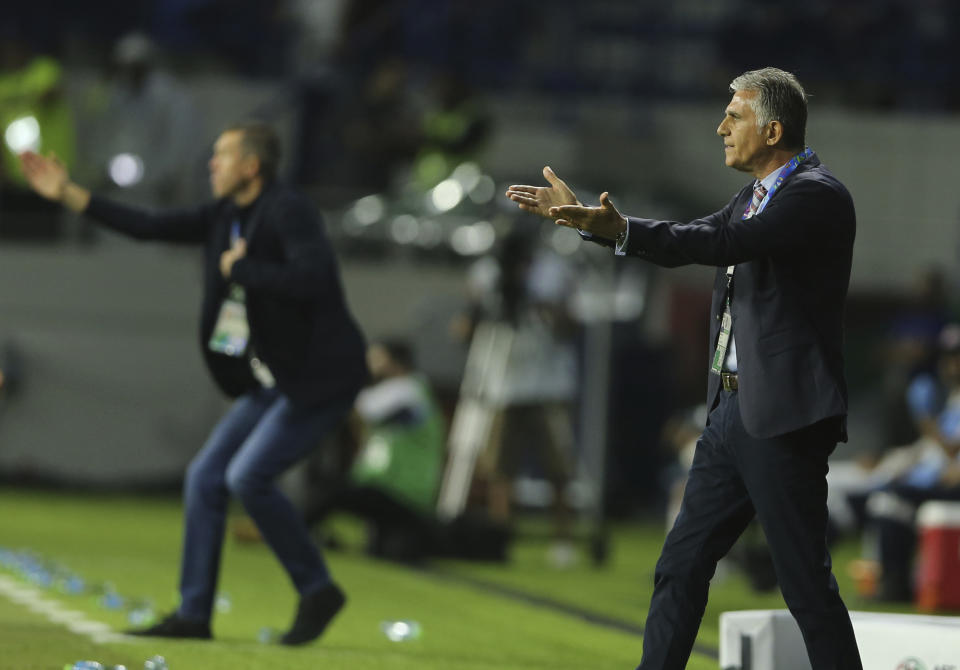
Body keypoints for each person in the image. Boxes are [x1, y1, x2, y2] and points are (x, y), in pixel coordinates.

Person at [506, 67, 862, 669]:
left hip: (781, 418)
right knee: (680, 565)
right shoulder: (755, 196)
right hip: (729, 415)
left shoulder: (816, 195)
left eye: (735, 115)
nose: (720, 126)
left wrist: (619, 227)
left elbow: (724, 245)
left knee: (803, 584)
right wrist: (610, 231)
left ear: (773, 129)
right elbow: (693, 236)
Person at [18, 121, 368, 645]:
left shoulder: (287, 209)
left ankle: (318, 589)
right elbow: (149, 225)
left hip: (320, 377)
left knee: (248, 477)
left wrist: (243, 270)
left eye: (222, 155)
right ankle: (194, 614)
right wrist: (67, 193)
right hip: (273, 378)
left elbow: (314, 278)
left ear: (252, 166)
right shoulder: (224, 214)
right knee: (205, 477)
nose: (212, 164)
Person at [305, 338, 446, 562]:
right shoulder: (414, 391)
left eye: (376, 358)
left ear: (394, 362)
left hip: (399, 491)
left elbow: (358, 407)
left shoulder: (407, 389)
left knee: (330, 491)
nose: (369, 363)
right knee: (382, 552)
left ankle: (290, 531)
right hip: (399, 491)